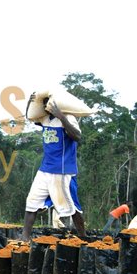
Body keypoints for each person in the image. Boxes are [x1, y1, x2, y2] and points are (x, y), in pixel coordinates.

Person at [21, 94, 85, 241]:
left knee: (71, 206)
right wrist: (29, 103)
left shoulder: (68, 118)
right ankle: (24, 238)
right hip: (45, 169)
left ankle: (83, 237)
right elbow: (29, 117)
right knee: (31, 202)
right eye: (44, 104)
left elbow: (77, 137)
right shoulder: (44, 119)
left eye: (48, 103)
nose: (45, 106)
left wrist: (61, 116)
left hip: (62, 170)